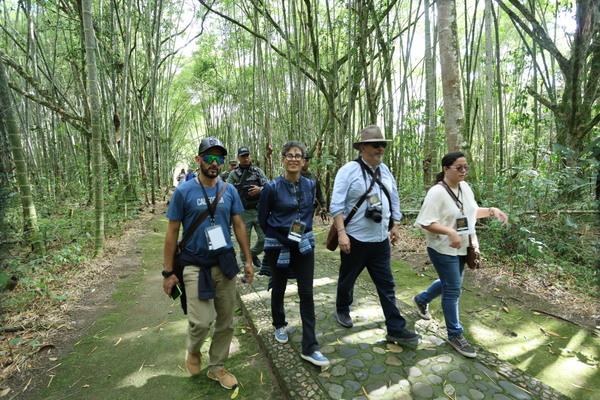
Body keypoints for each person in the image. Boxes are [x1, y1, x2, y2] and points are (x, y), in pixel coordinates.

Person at [162, 136, 254, 390]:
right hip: (194, 264)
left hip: (223, 262)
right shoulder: (184, 191)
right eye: (210, 157)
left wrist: (248, 260)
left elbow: (239, 226)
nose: (215, 163)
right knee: (202, 321)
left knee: (226, 321)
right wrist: (168, 272)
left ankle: (217, 367)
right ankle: (193, 349)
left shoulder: (230, 190)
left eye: (219, 158)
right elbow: (171, 233)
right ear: (198, 159)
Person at [330, 125, 420, 345]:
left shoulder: (385, 170)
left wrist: (396, 224)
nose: (380, 148)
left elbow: (394, 197)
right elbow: (336, 204)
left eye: (383, 145)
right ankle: (342, 308)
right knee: (347, 278)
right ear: (362, 147)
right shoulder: (348, 170)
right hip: (355, 239)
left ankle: (395, 328)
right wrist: (341, 232)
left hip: (380, 240)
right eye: (375, 145)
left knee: (387, 285)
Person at [413, 151, 508, 358]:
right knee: (453, 290)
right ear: (446, 169)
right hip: (442, 248)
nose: (464, 171)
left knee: (450, 283)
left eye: (466, 167)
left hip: (463, 247)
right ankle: (455, 334)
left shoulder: (465, 187)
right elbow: (425, 221)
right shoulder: (436, 193)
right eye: (459, 167)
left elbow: (470, 213)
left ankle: (421, 299)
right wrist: (449, 232)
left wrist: (492, 210)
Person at [258, 141, 330, 367]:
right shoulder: (271, 187)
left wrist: (298, 238)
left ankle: (310, 346)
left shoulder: (310, 185)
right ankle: (279, 323)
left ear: (303, 160)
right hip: (277, 245)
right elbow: (263, 220)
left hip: (304, 244)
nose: (294, 159)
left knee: (306, 292)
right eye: (289, 155)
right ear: (282, 159)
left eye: (298, 155)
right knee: (278, 286)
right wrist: (283, 240)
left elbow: (309, 213)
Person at [227, 147, 268, 268]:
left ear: (250, 157)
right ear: (238, 158)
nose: (246, 158)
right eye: (243, 156)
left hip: (258, 209)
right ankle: (246, 265)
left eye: (247, 156)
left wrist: (260, 189)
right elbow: (227, 190)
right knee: (244, 240)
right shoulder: (234, 174)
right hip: (243, 212)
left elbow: (268, 186)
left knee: (264, 239)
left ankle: (252, 254)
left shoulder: (257, 171)